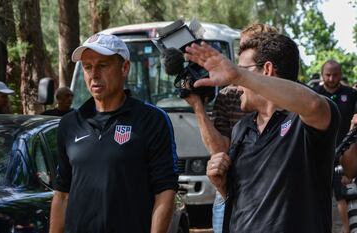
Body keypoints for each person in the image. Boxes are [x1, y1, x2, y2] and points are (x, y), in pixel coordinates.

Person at [185, 33, 340, 232]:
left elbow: (313, 104)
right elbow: (242, 202)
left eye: (240, 72)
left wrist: (240, 75)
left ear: (267, 69)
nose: (234, 85)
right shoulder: (241, 129)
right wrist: (222, 185)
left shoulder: (304, 121)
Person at [49, 33, 179, 233]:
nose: (94, 75)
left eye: (103, 65)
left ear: (125, 68)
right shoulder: (69, 123)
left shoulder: (152, 120)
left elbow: (165, 191)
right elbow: (62, 194)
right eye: (87, 67)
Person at [184, 23, 277, 233]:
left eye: (249, 50)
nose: (240, 59)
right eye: (241, 49)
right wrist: (197, 105)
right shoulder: (229, 95)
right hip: (229, 190)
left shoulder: (287, 97)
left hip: (272, 193)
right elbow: (220, 151)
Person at [314, 59, 357, 233]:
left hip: (343, 155)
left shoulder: (352, 94)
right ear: (322, 74)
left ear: (340, 74)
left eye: (335, 74)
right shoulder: (313, 94)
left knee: (343, 197)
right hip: (319, 154)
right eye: (328, 75)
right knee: (317, 197)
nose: (331, 78)